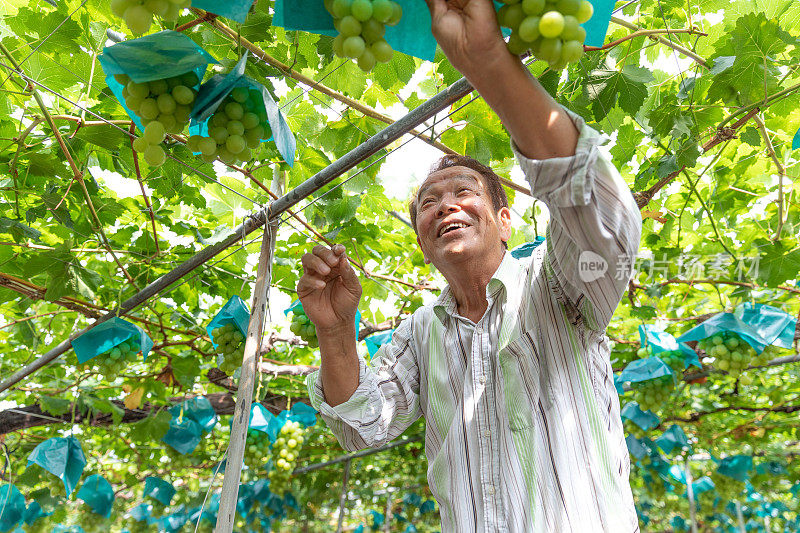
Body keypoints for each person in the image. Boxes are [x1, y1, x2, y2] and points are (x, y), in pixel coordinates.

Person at [297, 0, 643, 529]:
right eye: (429, 204)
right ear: (421, 241)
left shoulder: (558, 286)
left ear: (505, 221)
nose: (445, 206)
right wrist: (337, 330)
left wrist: (489, 64)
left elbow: (604, 218)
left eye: (463, 191)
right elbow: (363, 424)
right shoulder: (418, 334)